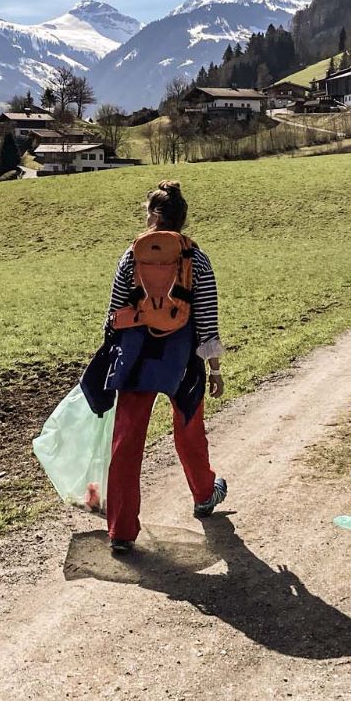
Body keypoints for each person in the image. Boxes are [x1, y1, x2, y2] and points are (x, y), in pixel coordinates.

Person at [101, 181, 227, 554]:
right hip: (183, 360)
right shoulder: (197, 260)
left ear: (155, 216)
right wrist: (214, 369)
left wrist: (112, 356)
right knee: (189, 431)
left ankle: (121, 530)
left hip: (137, 358)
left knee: (127, 440)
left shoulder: (131, 255)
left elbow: (114, 314)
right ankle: (204, 496)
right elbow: (207, 319)